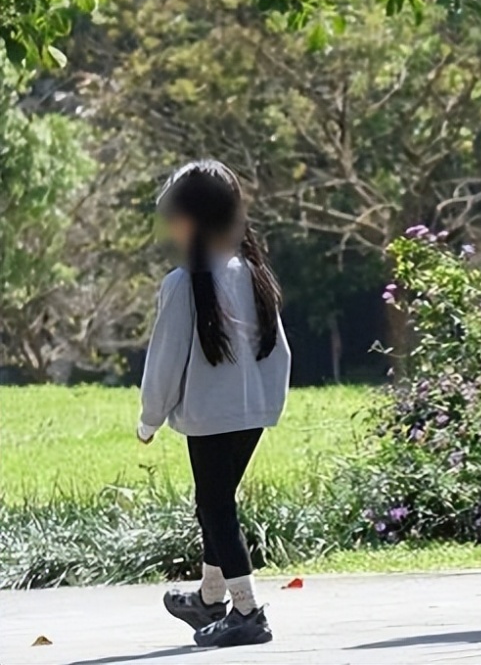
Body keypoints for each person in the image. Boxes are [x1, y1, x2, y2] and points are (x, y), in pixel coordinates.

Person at [137, 160, 291, 647]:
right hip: (252, 415)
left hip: (209, 419)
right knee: (216, 502)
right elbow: (280, 349)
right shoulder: (253, 272)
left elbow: (163, 362)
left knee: (215, 506)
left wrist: (149, 418)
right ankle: (209, 598)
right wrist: (267, 406)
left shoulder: (183, 283)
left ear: (193, 221)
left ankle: (247, 612)